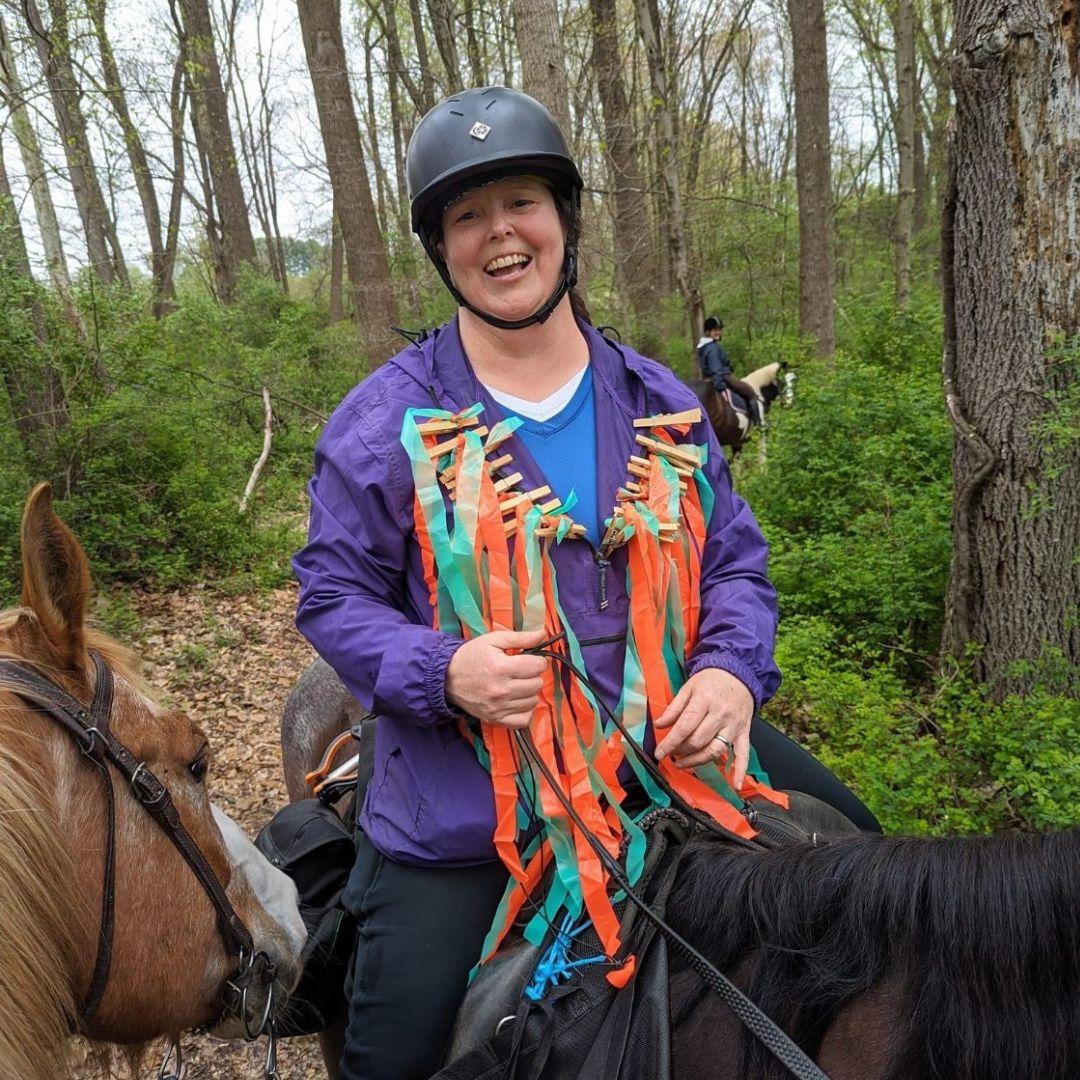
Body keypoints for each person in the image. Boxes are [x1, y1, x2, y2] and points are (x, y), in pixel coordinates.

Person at [292, 87, 879, 1080]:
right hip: (470, 797)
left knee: (865, 857)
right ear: (441, 249)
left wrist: (733, 674)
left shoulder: (660, 403)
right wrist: (445, 670)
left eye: (519, 201)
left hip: (668, 747)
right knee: (395, 1051)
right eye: (466, 216)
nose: (499, 235)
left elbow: (731, 561)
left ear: (563, 218)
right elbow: (333, 597)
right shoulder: (382, 422)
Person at [696, 315, 762, 424]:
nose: (718, 332)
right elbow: (716, 370)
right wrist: (721, 388)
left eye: (719, 330)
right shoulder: (712, 348)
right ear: (708, 332)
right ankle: (758, 425)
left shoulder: (705, 347)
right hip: (724, 377)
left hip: (708, 379)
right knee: (750, 393)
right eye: (715, 330)